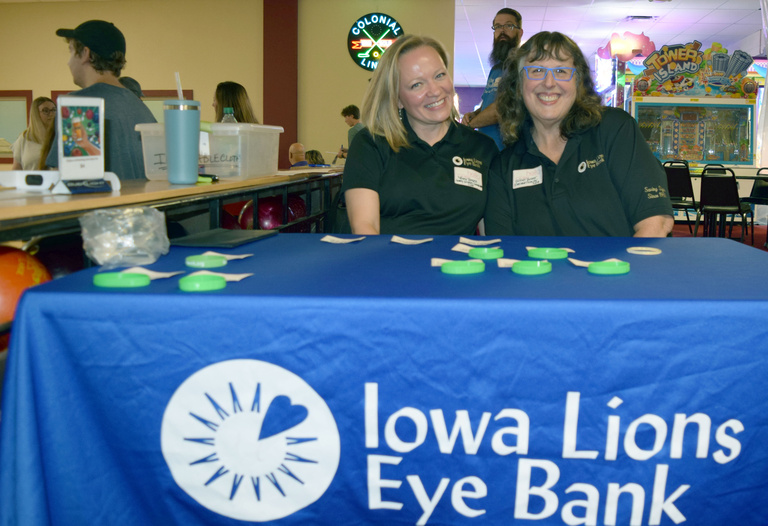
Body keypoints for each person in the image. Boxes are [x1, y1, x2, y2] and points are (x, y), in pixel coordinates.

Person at [485, 31, 673, 238]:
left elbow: (656, 223)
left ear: (578, 81)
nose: (549, 82)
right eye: (537, 70)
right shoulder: (503, 168)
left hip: (625, 260)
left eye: (561, 71)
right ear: (518, 84)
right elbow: (504, 248)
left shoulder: (614, 130)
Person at [343, 35, 498, 236]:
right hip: (388, 254)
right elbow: (364, 227)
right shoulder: (370, 144)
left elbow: (491, 234)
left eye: (439, 75)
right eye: (417, 84)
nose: (434, 91)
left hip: (458, 256)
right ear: (397, 99)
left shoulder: (482, 148)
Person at [45, 20, 156, 180]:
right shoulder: (141, 108)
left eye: (71, 51)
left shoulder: (77, 107)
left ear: (85, 53)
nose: (68, 62)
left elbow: (66, 179)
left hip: (101, 198)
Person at [461, 8, 523, 150]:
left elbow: (502, 108)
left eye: (509, 26)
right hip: (487, 149)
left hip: (508, 151)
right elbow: (488, 102)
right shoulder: (496, 69)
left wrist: (470, 125)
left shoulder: (521, 67)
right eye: (498, 26)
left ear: (520, 33)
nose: (502, 31)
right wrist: (474, 114)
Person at [11, 97, 56, 170]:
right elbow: (17, 168)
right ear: (36, 114)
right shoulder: (24, 137)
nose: (51, 114)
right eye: (45, 111)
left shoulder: (61, 136)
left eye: (54, 110)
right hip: (31, 177)